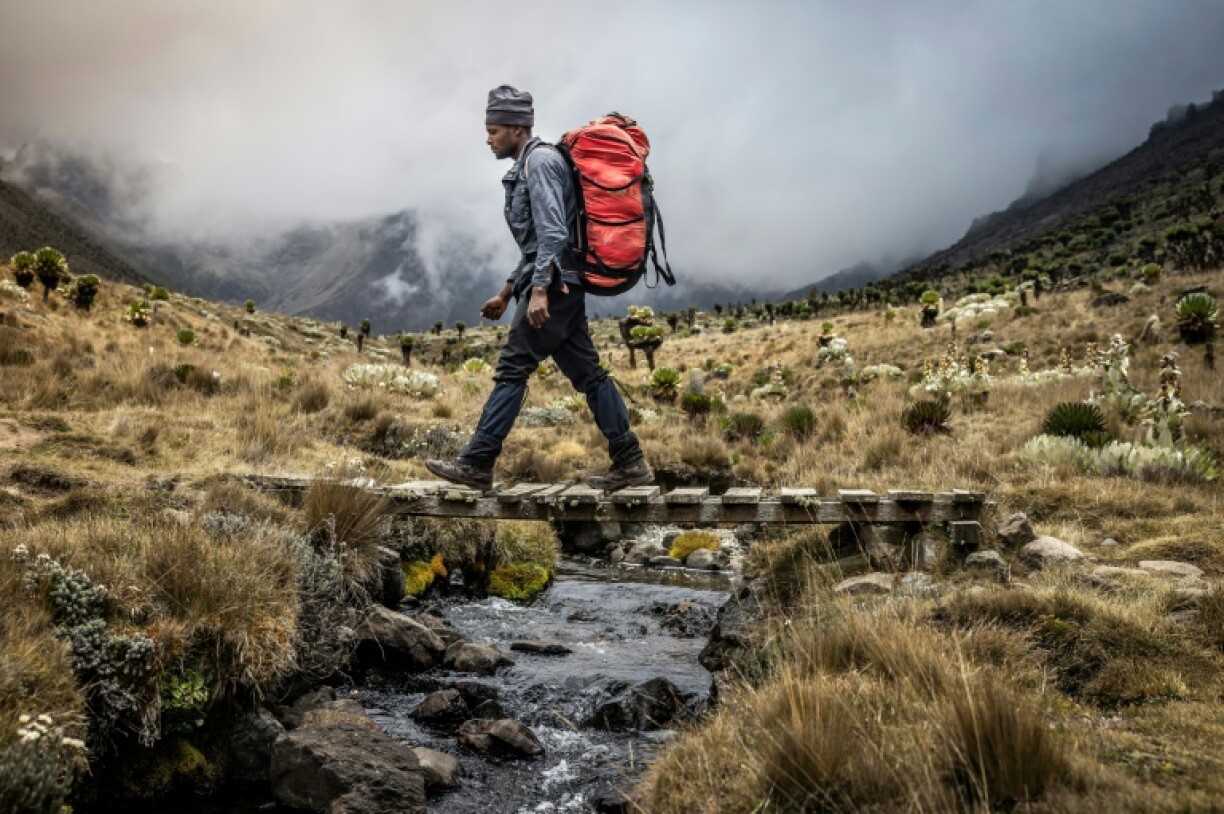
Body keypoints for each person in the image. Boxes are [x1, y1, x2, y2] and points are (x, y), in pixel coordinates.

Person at [425, 85, 653, 491]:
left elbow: (553, 234)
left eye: (493, 130)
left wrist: (540, 291)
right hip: (561, 284)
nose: (488, 139)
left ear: (517, 128)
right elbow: (535, 245)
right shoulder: (533, 163)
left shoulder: (541, 163)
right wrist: (507, 291)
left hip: (555, 287)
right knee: (589, 374)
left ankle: (477, 463)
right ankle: (630, 461)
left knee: (513, 368)